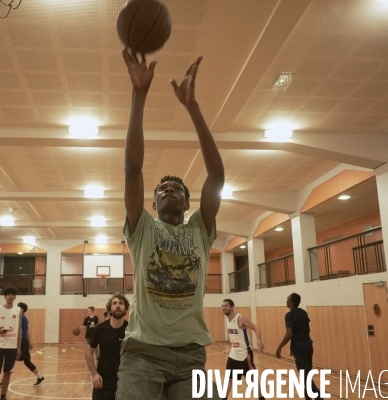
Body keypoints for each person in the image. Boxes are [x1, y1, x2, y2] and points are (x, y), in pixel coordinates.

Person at [117, 48, 225, 400]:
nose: (168, 190)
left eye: (176, 188)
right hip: (143, 351)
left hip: (190, 352)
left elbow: (217, 175)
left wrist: (193, 108)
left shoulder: (199, 229)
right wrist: (139, 95)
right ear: (153, 202)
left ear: (187, 202)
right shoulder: (143, 228)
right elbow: (132, 169)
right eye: (162, 188)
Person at [276, 293, 323, 400]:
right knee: (307, 376)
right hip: (308, 347)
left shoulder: (289, 315)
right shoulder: (303, 313)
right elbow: (308, 330)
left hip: (299, 349)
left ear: (291, 302)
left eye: (287, 299)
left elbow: (289, 333)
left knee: (306, 378)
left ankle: (319, 398)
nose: (286, 301)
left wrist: (279, 347)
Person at [85, 293, 129, 400]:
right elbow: (88, 352)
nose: (118, 305)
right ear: (110, 309)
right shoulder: (100, 329)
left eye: (121, 303)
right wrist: (94, 373)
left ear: (126, 309)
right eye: (114, 303)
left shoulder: (130, 329)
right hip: (103, 382)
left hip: (125, 382)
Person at [221, 299, 265, 400]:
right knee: (229, 379)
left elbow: (256, 328)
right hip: (233, 354)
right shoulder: (227, 320)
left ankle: (261, 398)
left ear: (232, 307)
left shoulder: (240, 318)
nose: (223, 308)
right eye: (222, 306)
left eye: (226, 306)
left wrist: (259, 340)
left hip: (245, 355)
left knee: (253, 380)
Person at [0, 302, 44, 388]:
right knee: (10, 359)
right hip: (20, 341)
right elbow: (27, 330)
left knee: (26, 361)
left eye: (18, 308)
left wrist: (27, 342)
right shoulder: (23, 317)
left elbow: (23, 331)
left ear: (21, 309)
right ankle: (4, 381)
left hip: (21, 341)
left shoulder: (21, 317)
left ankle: (40, 377)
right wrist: (29, 342)